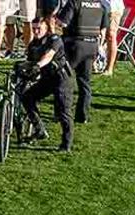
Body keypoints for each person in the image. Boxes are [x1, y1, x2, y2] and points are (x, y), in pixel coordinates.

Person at [18, 15, 74, 151]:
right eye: (34, 29)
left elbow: (48, 56)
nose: (36, 31)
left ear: (46, 28)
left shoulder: (54, 39)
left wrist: (38, 65)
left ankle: (66, 143)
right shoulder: (33, 44)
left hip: (62, 78)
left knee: (63, 111)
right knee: (27, 97)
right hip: (47, 78)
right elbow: (30, 61)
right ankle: (39, 129)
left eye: (39, 28)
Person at [56, 0, 107, 125]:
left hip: (74, 45)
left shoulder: (75, 2)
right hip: (92, 46)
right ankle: (82, 115)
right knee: (85, 83)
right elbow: (103, 29)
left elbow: (63, 23)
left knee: (63, 80)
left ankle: (61, 113)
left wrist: (55, 20)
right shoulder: (101, 5)